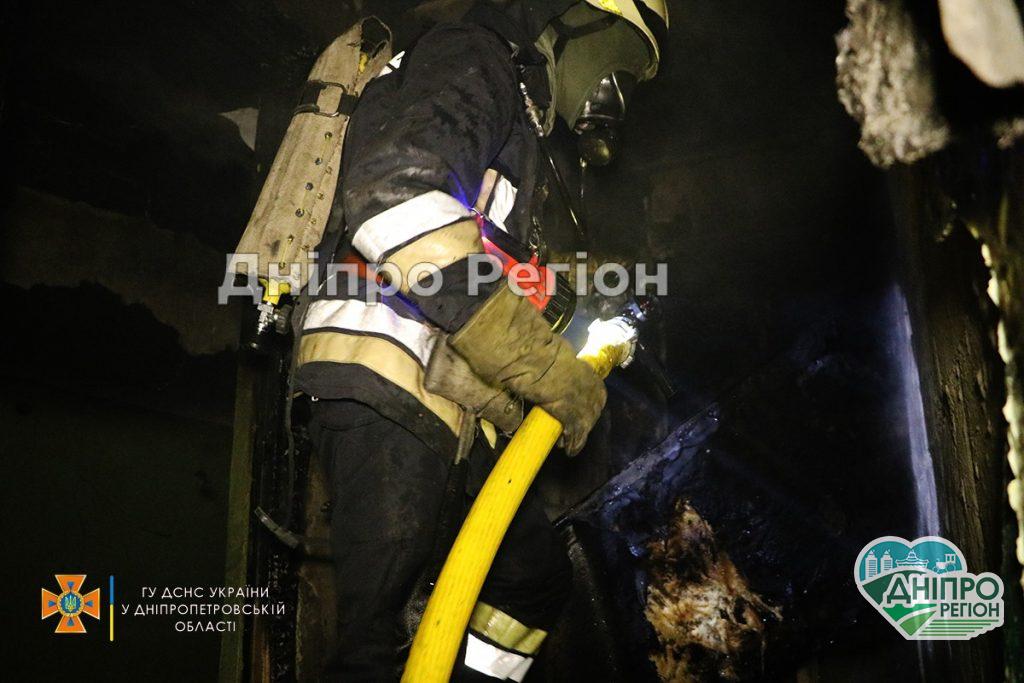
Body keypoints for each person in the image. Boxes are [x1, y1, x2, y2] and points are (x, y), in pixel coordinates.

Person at [293, 1, 668, 679]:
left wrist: (569, 309)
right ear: (569, 18)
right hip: (387, 368)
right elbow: (395, 196)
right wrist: (539, 364)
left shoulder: (514, 103)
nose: (616, 95)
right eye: (620, 63)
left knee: (532, 583)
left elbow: (477, 246)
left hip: (445, 393)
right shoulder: (475, 54)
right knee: (383, 645)